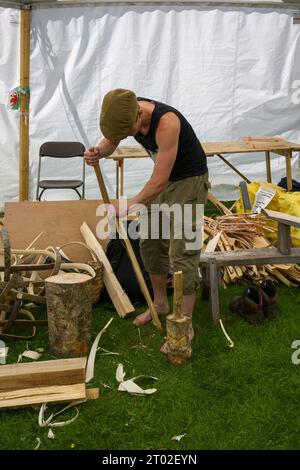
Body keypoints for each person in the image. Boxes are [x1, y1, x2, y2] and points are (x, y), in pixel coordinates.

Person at [84, 89, 209, 353]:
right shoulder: (124, 111)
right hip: (162, 182)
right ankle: (161, 304)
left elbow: (161, 181)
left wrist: (130, 204)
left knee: (183, 251)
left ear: (140, 114)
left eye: (130, 130)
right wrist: (98, 152)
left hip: (188, 182)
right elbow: (111, 141)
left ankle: (185, 325)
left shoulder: (167, 123)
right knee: (150, 241)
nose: (129, 135)